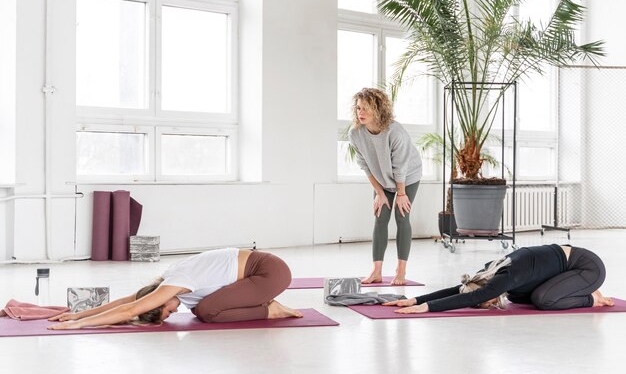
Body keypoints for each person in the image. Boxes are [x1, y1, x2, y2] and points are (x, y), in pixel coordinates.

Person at [48, 248, 302, 329]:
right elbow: (128, 300)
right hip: (259, 272)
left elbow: (132, 308)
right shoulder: (162, 285)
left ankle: (272, 310)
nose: (171, 315)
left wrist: (77, 326)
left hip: (269, 273)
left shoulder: (175, 283)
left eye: (166, 313)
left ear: (159, 302)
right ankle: (264, 306)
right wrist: (80, 313)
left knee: (207, 311)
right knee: (202, 308)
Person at [383, 244, 614, 313]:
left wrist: (426, 307)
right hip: (565, 269)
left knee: (544, 301)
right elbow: (461, 289)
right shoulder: (490, 273)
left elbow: (476, 294)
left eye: (480, 302)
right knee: (523, 297)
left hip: (587, 268)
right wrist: (415, 299)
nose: (484, 304)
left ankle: (592, 298)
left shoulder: (504, 278)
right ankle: (573, 289)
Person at [348, 87, 423, 285]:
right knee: (380, 216)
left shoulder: (395, 132)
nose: (361, 113)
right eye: (358, 108)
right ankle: (376, 271)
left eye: (366, 108)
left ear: (379, 109)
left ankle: (401, 270)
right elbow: (365, 165)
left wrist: (401, 193)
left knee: (401, 215)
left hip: (407, 175)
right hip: (381, 178)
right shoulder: (356, 133)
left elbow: (400, 167)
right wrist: (380, 193)